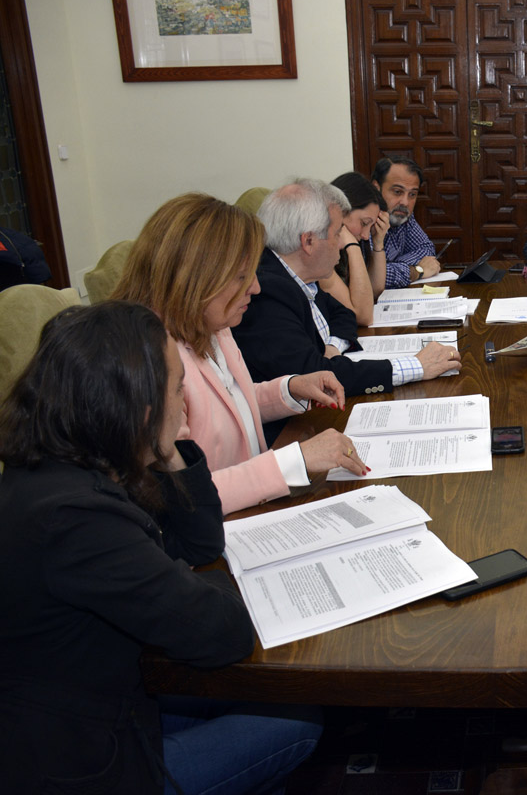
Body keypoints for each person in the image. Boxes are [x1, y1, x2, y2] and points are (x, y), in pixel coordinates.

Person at [0, 301, 322, 793]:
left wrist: (169, 447)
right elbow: (221, 633)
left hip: (113, 700)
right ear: (140, 406)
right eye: (178, 389)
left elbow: (198, 542)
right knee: (296, 719)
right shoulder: (75, 520)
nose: (186, 402)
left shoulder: (71, 463)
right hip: (89, 762)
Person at [111, 192, 369, 515]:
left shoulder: (213, 323)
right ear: (197, 279)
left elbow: (229, 406)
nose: (256, 288)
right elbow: (180, 494)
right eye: (241, 278)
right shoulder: (150, 360)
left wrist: (288, 389)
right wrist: (294, 461)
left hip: (252, 510)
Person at [233, 178, 461, 410]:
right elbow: (316, 376)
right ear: (309, 241)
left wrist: (332, 347)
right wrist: (415, 366)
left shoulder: (300, 276)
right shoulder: (266, 291)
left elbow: (344, 314)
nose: (342, 244)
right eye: (336, 233)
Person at [321, 171, 390, 326]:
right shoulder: (320, 252)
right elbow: (363, 316)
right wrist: (352, 246)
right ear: (339, 211)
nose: (366, 235)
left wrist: (378, 243)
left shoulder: (349, 244)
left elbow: (373, 291)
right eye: (364, 223)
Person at [371, 155, 442, 288]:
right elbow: (371, 278)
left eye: (412, 194)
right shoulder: (364, 221)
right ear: (376, 188)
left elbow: (426, 249)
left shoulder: (402, 214)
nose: (405, 202)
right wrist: (416, 271)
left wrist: (392, 267)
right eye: (397, 192)